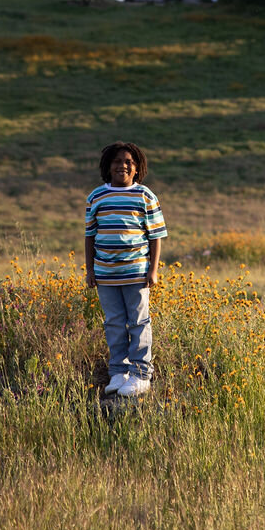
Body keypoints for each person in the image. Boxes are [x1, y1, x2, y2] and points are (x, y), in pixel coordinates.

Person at [85, 141, 168, 397]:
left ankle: (141, 375)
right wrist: (90, 271)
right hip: (105, 274)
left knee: (139, 322)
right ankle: (119, 372)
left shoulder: (145, 195)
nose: (122, 165)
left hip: (136, 272)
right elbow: (90, 236)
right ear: (107, 167)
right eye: (116, 161)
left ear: (137, 168)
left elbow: (155, 236)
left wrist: (153, 271)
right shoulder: (96, 196)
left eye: (128, 162)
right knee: (114, 323)